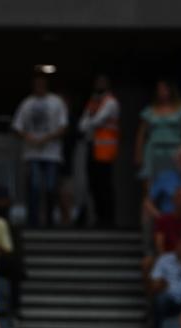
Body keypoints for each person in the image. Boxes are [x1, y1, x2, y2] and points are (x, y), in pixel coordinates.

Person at [12, 74, 68, 229]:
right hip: (32, 153)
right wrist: (29, 137)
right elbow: (17, 127)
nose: (39, 87)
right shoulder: (27, 103)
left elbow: (63, 126)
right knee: (34, 187)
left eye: (42, 84)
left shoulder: (56, 102)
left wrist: (47, 138)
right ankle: (33, 221)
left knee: (51, 187)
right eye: (36, 84)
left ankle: (49, 220)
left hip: (52, 153)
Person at [135, 80, 181, 184]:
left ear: (171, 91)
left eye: (165, 89)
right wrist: (138, 154)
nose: (162, 92)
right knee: (150, 184)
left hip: (175, 151)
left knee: (175, 183)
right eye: (159, 90)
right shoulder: (149, 111)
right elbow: (141, 135)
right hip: (153, 150)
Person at [78, 74, 119, 227]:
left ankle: (108, 219)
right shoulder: (93, 102)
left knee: (105, 186)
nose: (99, 85)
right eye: (97, 82)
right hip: (92, 147)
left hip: (105, 150)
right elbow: (82, 125)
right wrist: (90, 121)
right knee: (93, 185)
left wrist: (90, 121)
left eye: (102, 82)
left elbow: (97, 121)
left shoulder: (111, 102)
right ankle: (98, 217)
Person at [144, 146, 181, 217]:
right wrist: (160, 216)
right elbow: (148, 201)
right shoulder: (164, 177)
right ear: (176, 160)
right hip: (168, 218)